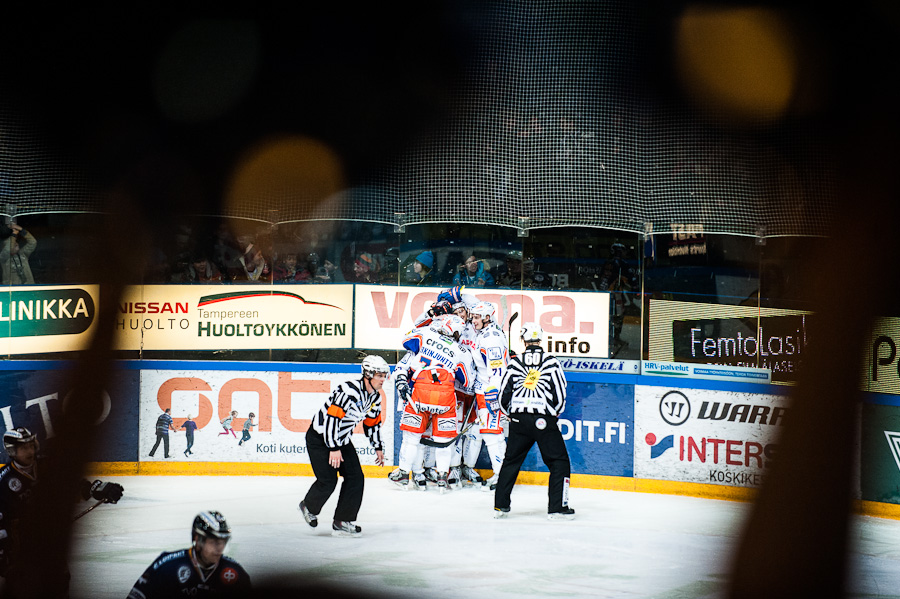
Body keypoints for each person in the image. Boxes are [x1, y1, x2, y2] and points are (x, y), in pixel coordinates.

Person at [0, 428, 124, 587]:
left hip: (51, 540)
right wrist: (3, 555)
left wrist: (97, 489)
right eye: (24, 448)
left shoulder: (47, 465)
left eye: (31, 446)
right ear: (12, 450)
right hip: (21, 548)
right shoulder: (4, 480)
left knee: (59, 582)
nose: (30, 451)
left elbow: (72, 485)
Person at [298, 356, 389, 537]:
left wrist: (378, 447)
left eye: (384, 375)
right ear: (368, 374)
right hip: (320, 438)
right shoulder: (348, 391)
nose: (382, 379)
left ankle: (342, 520)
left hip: (341, 439)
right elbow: (332, 419)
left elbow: (372, 424)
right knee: (328, 480)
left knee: (356, 477)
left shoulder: (375, 398)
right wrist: (333, 448)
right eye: (379, 375)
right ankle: (308, 506)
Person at [493, 323, 574, 520]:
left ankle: (500, 506)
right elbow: (560, 393)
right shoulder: (551, 362)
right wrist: (552, 414)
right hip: (543, 420)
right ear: (541, 339)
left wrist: (511, 415)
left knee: (511, 461)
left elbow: (503, 394)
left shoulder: (515, 363)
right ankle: (557, 508)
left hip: (519, 419)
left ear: (523, 340)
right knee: (559, 462)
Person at [388, 315, 476, 493]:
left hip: (419, 393)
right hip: (444, 396)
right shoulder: (462, 351)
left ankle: (404, 474)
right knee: (444, 441)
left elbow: (407, 340)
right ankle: (442, 477)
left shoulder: (426, 333)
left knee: (412, 438)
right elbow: (468, 381)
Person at [127, 510, 251, 598]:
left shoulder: (235, 573)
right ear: (197, 540)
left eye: (223, 542)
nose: (220, 548)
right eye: (213, 542)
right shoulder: (167, 566)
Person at [462, 301, 509, 491]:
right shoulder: (485, 333)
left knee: (492, 435)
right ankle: (502, 473)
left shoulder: (491, 338)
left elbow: (497, 371)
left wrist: (492, 396)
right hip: (483, 390)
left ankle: (501, 475)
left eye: (476, 317)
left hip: (491, 392)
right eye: (472, 317)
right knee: (493, 435)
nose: (473, 321)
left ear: (487, 318)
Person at [598, 242, 639, 354]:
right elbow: (631, 279)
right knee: (618, 315)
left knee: (608, 315)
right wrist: (636, 289)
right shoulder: (622, 264)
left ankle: (608, 337)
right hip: (615, 294)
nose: (625, 253)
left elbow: (600, 278)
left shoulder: (607, 263)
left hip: (604, 294)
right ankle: (614, 338)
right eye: (623, 251)